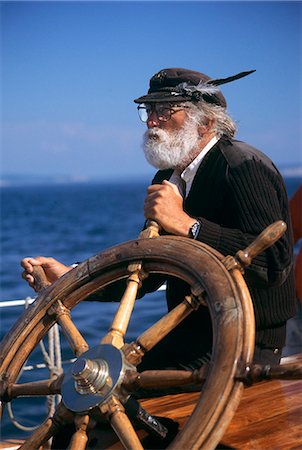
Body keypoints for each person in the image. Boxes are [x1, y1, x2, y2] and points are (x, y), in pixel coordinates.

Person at [21, 67, 296, 368]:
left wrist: (188, 226)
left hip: (248, 339)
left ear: (205, 122)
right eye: (149, 110)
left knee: (121, 397)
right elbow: (148, 271)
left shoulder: (243, 167)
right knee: (103, 385)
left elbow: (274, 263)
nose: (152, 122)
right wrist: (71, 277)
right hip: (192, 333)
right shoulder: (169, 176)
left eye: (166, 111)